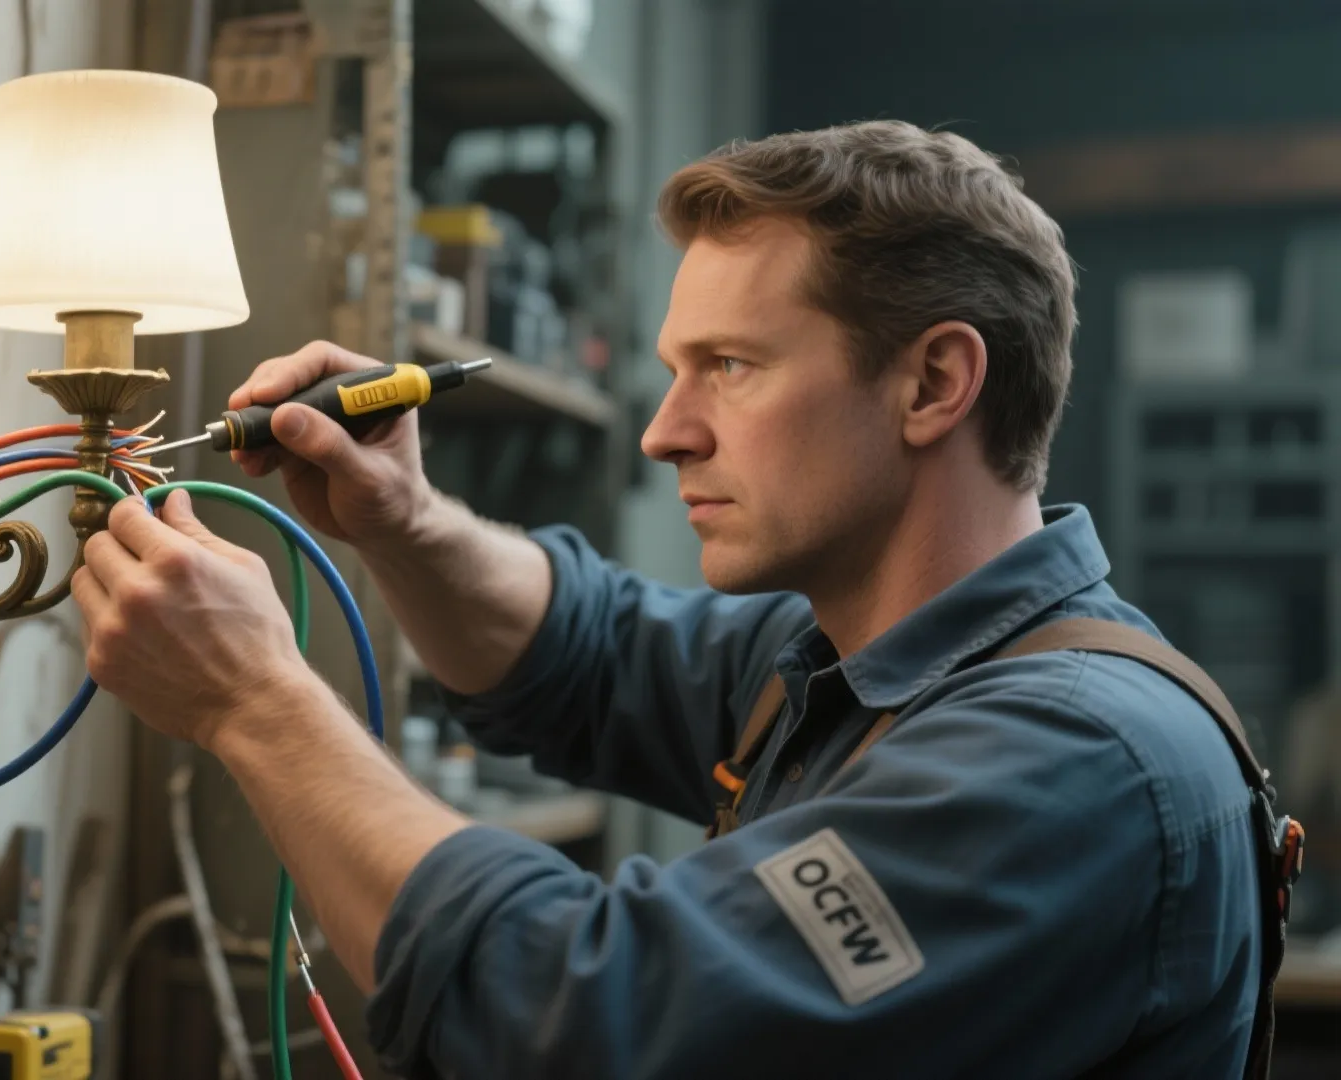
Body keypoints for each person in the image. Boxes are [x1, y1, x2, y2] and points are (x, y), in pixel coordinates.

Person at [70, 121, 1266, 1077]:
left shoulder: (1078, 765)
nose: (661, 434)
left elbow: (586, 1020)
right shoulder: (850, 666)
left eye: (730, 369)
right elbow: (589, 655)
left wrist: (258, 704)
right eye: (671, 372)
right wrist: (409, 525)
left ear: (935, 383)